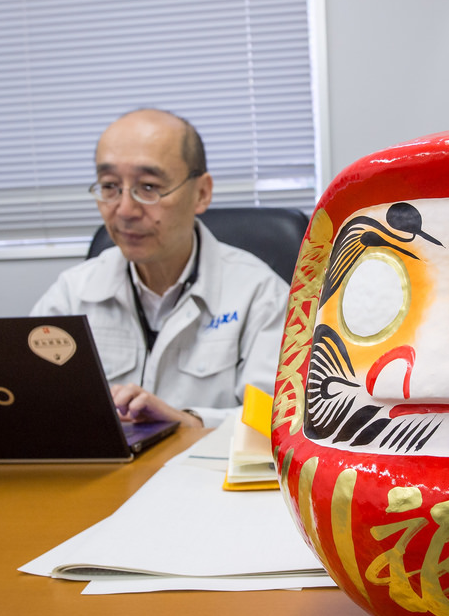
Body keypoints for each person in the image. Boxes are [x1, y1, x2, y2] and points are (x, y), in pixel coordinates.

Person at [31, 109, 288, 429]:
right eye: (110, 186)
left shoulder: (261, 294)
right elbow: (30, 402)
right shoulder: (72, 293)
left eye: (149, 187)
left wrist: (186, 421)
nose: (124, 210)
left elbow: (278, 422)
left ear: (201, 193)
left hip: (206, 475)